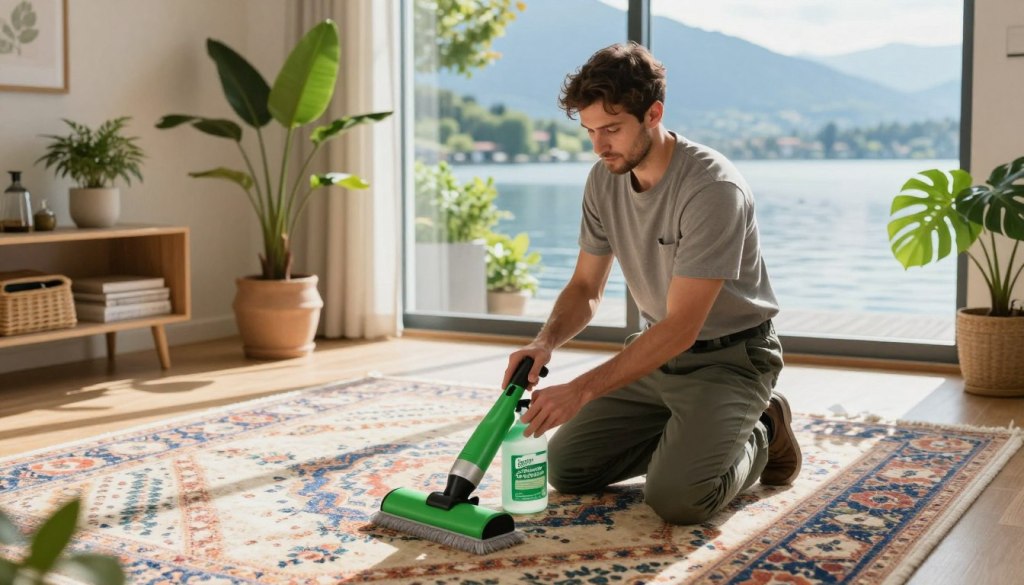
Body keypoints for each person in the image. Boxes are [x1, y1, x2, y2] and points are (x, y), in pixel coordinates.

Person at [501, 42, 800, 525]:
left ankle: (763, 426)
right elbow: (584, 288)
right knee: (567, 468)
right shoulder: (604, 179)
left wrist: (581, 390)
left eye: (612, 130)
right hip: (656, 357)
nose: (600, 146)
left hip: (729, 361)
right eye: (591, 130)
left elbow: (683, 326)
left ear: (653, 113)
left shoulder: (711, 189)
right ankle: (692, 433)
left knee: (679, 500)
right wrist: (544, 342)